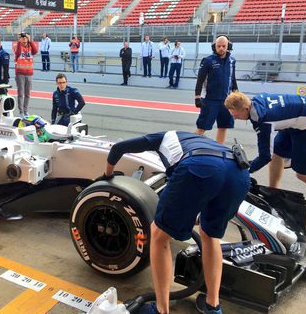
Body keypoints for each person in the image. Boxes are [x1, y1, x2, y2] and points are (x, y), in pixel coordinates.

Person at [102, 131, 250, 314]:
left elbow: (118, 148)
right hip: (239, 173)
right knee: (210, 235)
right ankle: (213, 305)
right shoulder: (200, 140)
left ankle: (161, 309)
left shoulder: (163, 137)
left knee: (158, 234)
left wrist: (107, 175)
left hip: (199, 168)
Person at [225, 91, 306, 195]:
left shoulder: (263, 120)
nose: (235, 118)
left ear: (246, 109)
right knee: (277, 152)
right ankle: (273, 190)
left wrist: (245, 171)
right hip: (301, 112)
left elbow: (265, 156)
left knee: (304, 174)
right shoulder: (255, 100)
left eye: (236, 115)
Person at [194, 35, 238, 144]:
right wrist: (197, 97)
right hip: (210, 100)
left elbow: (233, 78)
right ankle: (191, 147)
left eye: (224, 46)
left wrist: (236, 94)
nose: (221, 48)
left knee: (223, 126)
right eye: (219, 46)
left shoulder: (232, 61)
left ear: (229, 46)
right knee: (202, 127)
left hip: (226, 100)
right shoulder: (208, 61)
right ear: (214, 47)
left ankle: (218, 148)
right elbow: (200, 80)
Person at [13, 32, 38, 117]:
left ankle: (26, 110)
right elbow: (18, 52)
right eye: (22, 37)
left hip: (29, 73)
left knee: (27, 94)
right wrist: (20, 40)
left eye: (25, 37)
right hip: (20, 73)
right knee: (20, 93)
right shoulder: (17, 46)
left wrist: (30, 40)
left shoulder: (31, 47)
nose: (24, 38)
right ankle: (21, 112)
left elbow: (35, 51)